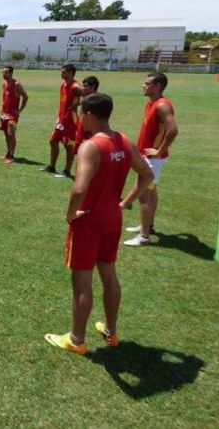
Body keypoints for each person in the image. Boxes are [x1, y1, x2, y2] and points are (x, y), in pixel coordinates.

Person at [45, 93, 153, 354]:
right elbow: (147, 174)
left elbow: (78, 189)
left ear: (90, 116)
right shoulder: (125, 141)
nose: (81, 119)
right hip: (112, 219)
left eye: (83, 114)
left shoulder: (91, 146)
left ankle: (76, 340)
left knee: (82, 282)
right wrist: (124, 202)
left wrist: (71, 214)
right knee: (109, 275)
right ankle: (111, 332)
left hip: (89, 220)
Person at [123, 72, 179, 247]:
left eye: (147, 83)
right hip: (148, 157)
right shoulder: (152, 104)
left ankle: (144, 236)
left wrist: (159, 150)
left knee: (144, 196)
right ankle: (148, 225)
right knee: (151, 192)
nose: (143, 85)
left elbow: (173, 130)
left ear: (159, 86)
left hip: (152, 159)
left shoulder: (162, 106)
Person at [43, 64, 82, 178]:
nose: (61, 73)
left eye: (64, 72)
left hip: (70, 120)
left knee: (68, 145)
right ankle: (52, 167)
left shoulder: (75, 86)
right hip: (61, 119)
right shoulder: (63, 85)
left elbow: (87, 95)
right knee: (53, 141)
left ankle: (67, 171)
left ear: (70, 73)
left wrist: (78, 103)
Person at [0, 65, 29, 164]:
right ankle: (8, 153)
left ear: (11, 73)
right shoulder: (4, 84)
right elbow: (4, 98)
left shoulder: (16, 84)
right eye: (3, 72)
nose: (4, 74)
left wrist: (20, 110)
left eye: (6, 73)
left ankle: (12, 155)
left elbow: (25, 97)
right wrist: (1, 109)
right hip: (4, 113)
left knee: (11, 133)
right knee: (6, 134)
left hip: (13, 114)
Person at [73, 76, 100, 155]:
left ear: (93, 87)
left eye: (85, 86)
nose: (83, 88)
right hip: (81, 130)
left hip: (89, 133)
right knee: (79, 154)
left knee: (88, 155)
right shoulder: (85, 98)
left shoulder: (97, 101)